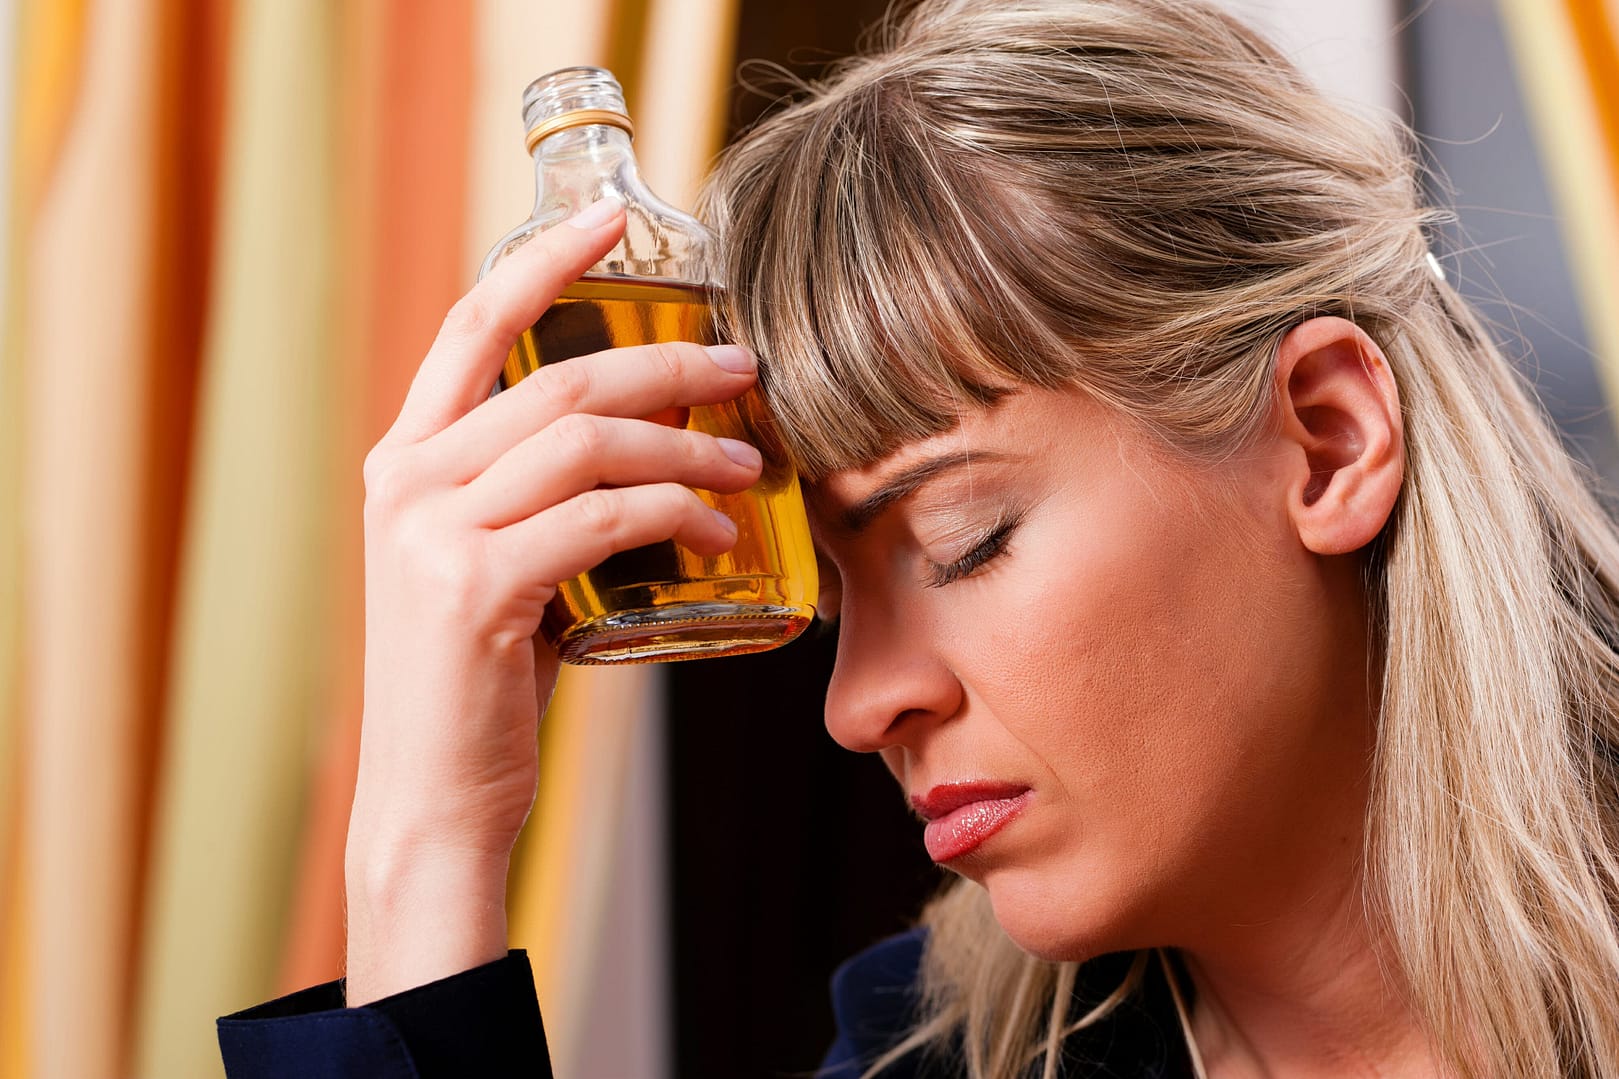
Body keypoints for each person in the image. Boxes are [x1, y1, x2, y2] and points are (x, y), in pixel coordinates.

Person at [217, 0, 1619, 1076]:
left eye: (965, 538)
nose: (857, 704)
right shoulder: (923, 1051)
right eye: (830, 600)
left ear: (1328, 436)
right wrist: (424, 843)